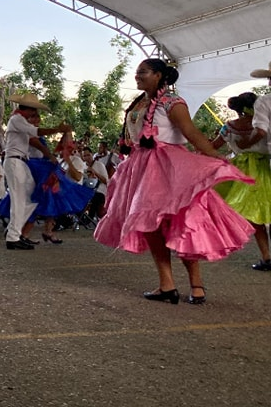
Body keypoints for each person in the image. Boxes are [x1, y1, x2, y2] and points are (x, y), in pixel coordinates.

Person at [94, 59, 254, 305]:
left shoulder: (173, 103)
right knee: (151, 226)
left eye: (143, 73)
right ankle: (166, 284)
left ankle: (196, 285)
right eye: (137, 73)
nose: (137, 77)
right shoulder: (140, 103)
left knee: (181, 222)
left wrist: (216, 157)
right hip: (140, 167)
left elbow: (191, 133)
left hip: (168, 166)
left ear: (158, 75)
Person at [211, 92, 271, 270]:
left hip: (240, 171)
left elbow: (213, 146)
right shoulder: (264, 124)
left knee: (255, 218)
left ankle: (266, 257)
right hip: (264, 168)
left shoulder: (229, 127)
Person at [2, 93, 70, 250]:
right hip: (15, 161)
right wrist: (57, 129)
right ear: (29, 109)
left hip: (21, 162)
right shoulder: (16, 119)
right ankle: (13, 237)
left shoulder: (20, 120)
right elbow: (36, 133)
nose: (35, 114)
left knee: (33, 197)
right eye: (34, 110)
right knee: (21, 200)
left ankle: (15, 232)